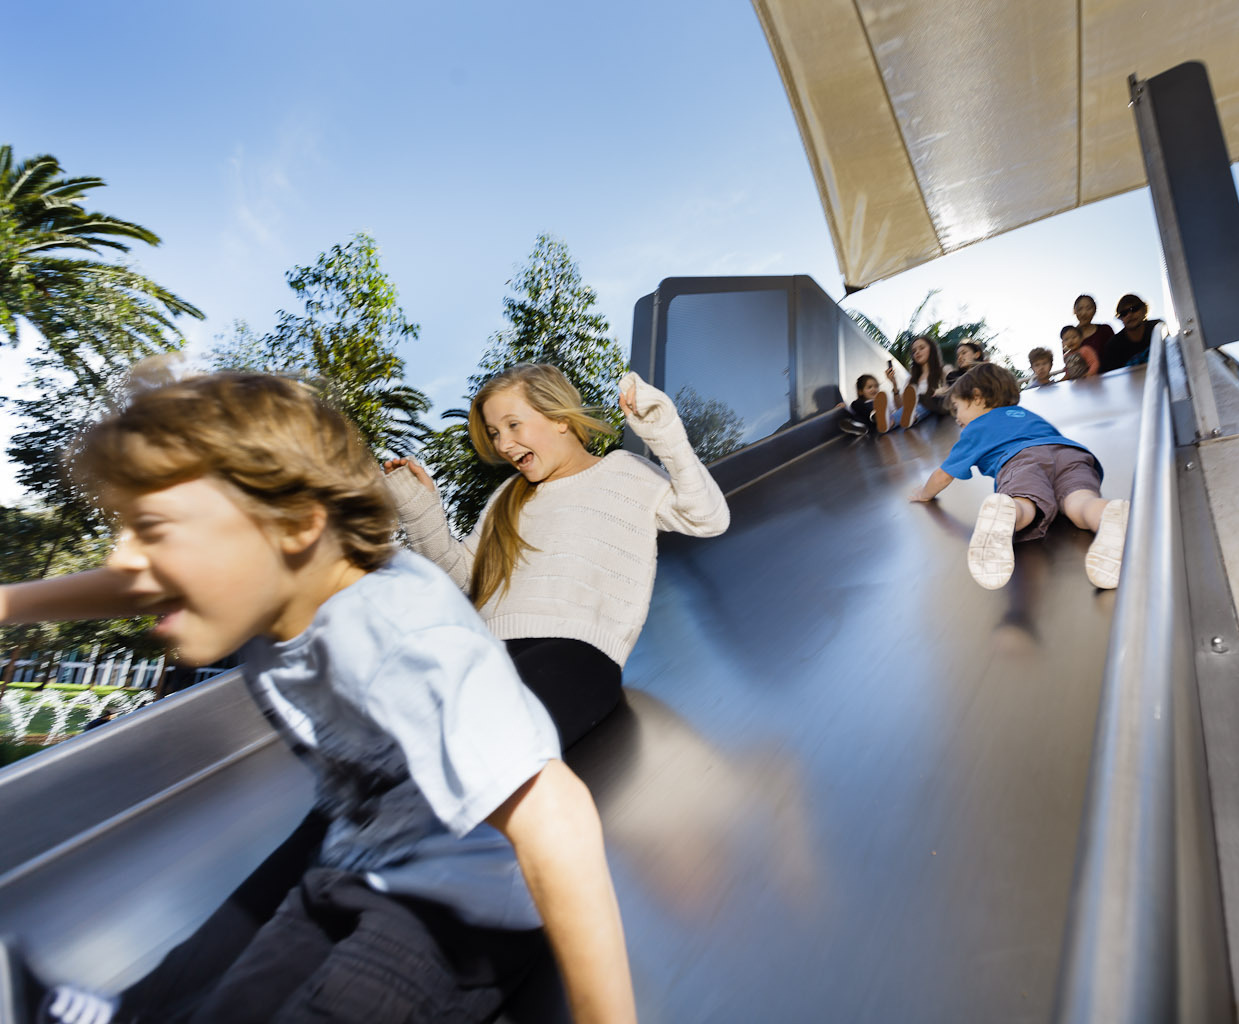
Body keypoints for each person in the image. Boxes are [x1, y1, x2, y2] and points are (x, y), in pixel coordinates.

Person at [0, 372, 636, 1023]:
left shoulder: (396, 636)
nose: (125, 556)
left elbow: (555, 814)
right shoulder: (270, 584)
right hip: (350, 872)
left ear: (297, 525)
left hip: (456, 919)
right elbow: (131, 583)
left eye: (154, 529)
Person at [383, 363, 728, 750]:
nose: (502, 444)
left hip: (576, 652)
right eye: (495, 433)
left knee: (481, 746)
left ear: (559, 419)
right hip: (489, 649)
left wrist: (665, 435)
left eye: (513, 425)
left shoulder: (625, 473)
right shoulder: (508, 496)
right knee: (395, 748)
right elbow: (463, 577)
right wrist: (419, 510)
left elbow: (708, 518)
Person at [909, 363, 1129, 591]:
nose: (956, 418)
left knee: (1026, 501)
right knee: (1079, 502)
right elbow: (1051, 441)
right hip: (1070, 454)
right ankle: (1106, 515)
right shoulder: (1027, 414)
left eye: (957, 408)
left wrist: (925, 494)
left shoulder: (976, 428)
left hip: (1021, 460)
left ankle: (1009, 512)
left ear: (977, 397)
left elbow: (944, 475)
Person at [1104, 293, 1164, 371]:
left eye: (1134, 309)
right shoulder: (1113, 345)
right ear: (1120, 318)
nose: (1129, 315)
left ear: (1144, 310)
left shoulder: (1158, 328)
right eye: (1124, 313)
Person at [1071, 295, 1115, 371]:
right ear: (1074, 311)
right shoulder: (1069, 336)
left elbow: (1115, 354)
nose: (1084, 313)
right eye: (1080, 309)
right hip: (1083, 381)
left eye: (1088, 308)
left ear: (1095, 310)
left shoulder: (1105, 330)